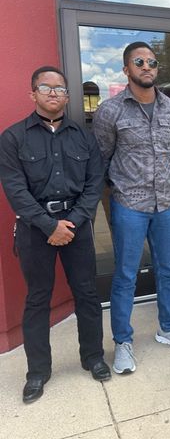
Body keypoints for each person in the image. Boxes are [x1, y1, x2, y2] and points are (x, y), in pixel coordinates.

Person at [0, 66, 110, 404]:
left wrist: (72, 223)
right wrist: (50, 226)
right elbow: (15, 191)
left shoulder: (83, 136)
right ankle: (38, 371)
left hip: (77, 224)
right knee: (37, 299)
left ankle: (92, 357)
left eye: (60, 88)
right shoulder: (13, 138)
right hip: (35, 229)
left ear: (67, 96)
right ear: (32, 94)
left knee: (87, 294)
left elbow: (94, 185)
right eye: (45, 87)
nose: (53, 93)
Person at [93, 42, 170, 375]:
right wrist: (114, 195)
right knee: (125, 276)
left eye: (152, 62)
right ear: (126, 70)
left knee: (167, 270)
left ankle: (168, 327)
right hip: (129, 205)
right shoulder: (110, 111)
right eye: (139, 62)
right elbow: (101, 159)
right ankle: (123, 342)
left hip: (167, 203)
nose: (147, 66)